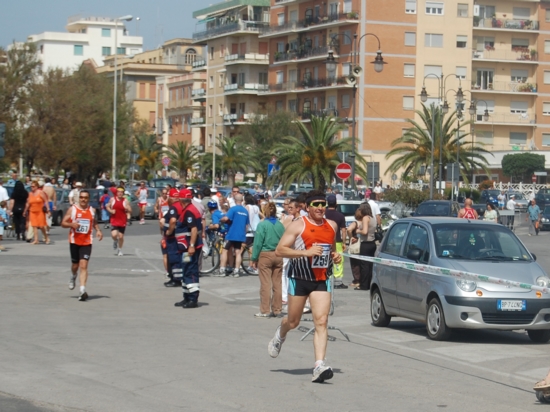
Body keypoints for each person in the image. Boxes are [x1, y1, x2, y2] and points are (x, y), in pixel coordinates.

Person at [267, 189, 342, 383]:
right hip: (299, 278)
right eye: (316, 205)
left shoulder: (332, 225)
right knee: (293, 322)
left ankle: (319, 365)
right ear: (307, 207)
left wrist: (335, 255)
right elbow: (280, 250)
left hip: (321, 279)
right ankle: (280, 333)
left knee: (322, 321)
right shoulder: (299, 225)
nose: (320, 208)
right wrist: (306, 253)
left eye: (323, 204)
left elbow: (331, 249)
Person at [61, 189, 103, 301]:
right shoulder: (73, 209)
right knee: (75, 265)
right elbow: (63, 223)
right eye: (81, 197)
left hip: (87, 242)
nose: (83, 199)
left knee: (83, 265)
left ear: (88, 199)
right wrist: (71, 224)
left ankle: (82, 290)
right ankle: (73, 276)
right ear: (79, 198)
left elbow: (93, 222)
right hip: (74, 241)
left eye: (85, 197)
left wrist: (98, 230)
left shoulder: (92, 210)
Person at [250, 202, 285, 318]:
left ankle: (265, 310)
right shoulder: (280, 225)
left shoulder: (262, 225)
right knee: (277, 283)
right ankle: (277, 309)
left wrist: (254, 258)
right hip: (278, 254)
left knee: (265, 284)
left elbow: (258, 242)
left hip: (265, 254)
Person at [173, 188, 203, 309]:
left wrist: (191, 246)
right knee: (185, 270)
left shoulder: (190, 211)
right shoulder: (188, 210)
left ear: (181, 200)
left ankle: (193, 299)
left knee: (190, 271)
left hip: (189, 248)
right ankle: (186, 296)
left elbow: (194, 229)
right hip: (184, 247)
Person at [219, 193, 250, 277]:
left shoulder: (233, 209)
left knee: (225, 250)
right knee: (238, 252)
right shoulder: (245, 211)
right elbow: (247, 225)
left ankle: (222, 269)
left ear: (235, 200)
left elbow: (226, 218)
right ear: (242, 200)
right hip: (240, 235)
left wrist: (220, 219)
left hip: (231, 234)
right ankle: (236, 270)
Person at [324, 195, 347, 289]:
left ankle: (327, 279)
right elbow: (344, 230)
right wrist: (344, 242)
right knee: (338, 260)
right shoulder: (340, 216)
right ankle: (338, 282)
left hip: (325, 240)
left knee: (326, 259)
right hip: (337, 241)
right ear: (336, 203)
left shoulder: (323, 214)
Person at [163, 188, 184, 287]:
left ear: (172, 197)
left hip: (173, 237)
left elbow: (172, 221)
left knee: (174, 257)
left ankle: (176, 279)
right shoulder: (182, 206)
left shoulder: (174, 207)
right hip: (181, 236)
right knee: (179, 257)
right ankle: (178, 277)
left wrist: (168, 232)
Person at [355, 202, 377, 290]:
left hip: (366, 243)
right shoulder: (372, 218)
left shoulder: (365, 218)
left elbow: (364, 232)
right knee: (370, 265)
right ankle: (369, 283)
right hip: (372, 243)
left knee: (364, 265)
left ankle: (364, 285)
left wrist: (357, 231)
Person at [106, 187, 132, 256]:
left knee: (121, 236)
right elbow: (107, 206)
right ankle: (115, 240)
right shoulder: (112, 199)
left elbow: (130, 210)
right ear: (116, 193)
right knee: (114, 235)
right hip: (114, 220)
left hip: (122, 220)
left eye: (121, 192)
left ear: (123, 193)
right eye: (118, 192)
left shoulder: (125, 201)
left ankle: (120, 250)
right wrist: (111, 211)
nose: (120, 193)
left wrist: (128, 208)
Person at [24, 180, 50, 245]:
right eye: (31, 186)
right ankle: (36, 240)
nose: (32, 188)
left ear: (37, 186)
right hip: (32, 211)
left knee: (41, 226)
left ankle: (46, 237)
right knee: (34, 226)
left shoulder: (40, 192)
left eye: (33, 186)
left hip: (40, 211)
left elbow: (46, 201)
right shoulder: (30, 194)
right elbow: (28, 203)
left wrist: (48, 209)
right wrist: (25, 211)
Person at [346, 208, 364, 288]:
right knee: (362, 264)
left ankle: (357, 280)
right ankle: (362, 279)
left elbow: (349, 229)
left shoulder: (355, 223)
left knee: (355, 264)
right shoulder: (366, 222)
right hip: (363, 245)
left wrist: (351, 237)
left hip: (356, 245)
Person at [244, 193, 262, 274]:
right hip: (255, 230)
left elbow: (245, 218)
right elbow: (263, 217)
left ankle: (250, 266)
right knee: (252, 249)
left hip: (249, 230)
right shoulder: (256, 207)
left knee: (242, 249)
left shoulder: (247, 207)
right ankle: (252, 265)